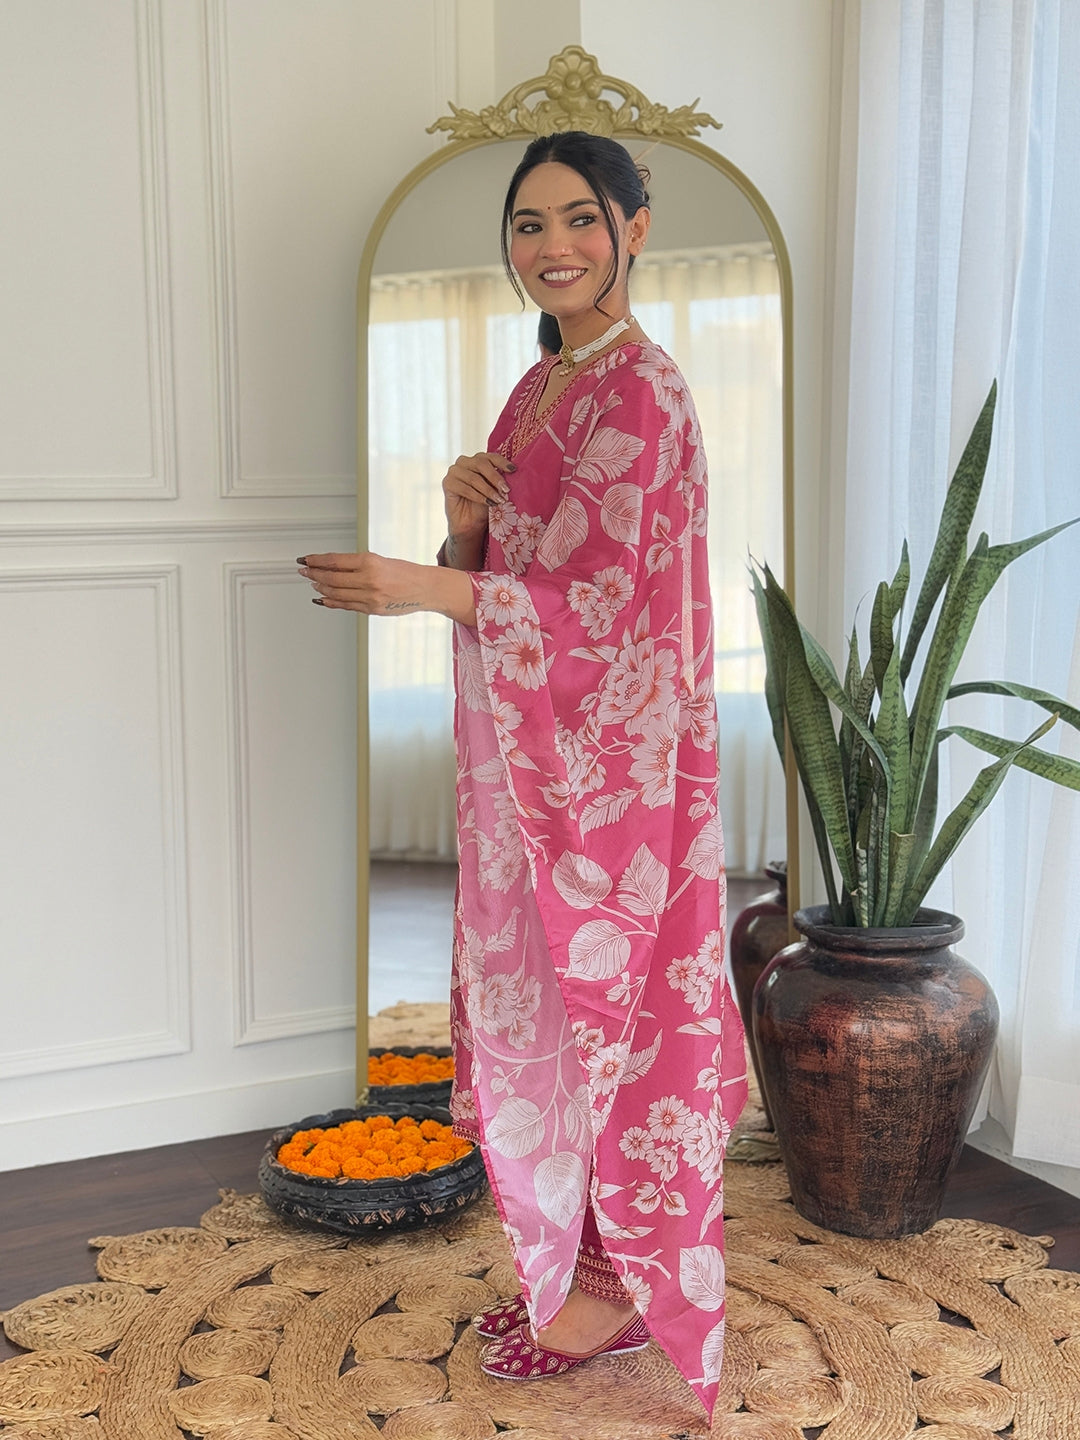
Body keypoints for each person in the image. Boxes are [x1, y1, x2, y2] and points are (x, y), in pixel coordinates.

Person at [298, 131, 747, 1420]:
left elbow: (605, 611)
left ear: (635, 228)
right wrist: (461, 527)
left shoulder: (642, 390)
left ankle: (621, 1283)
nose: (552, 247)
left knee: (621, 1014)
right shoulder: (545, 385)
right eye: (528, 224)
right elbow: (518, 576)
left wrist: (416, 582)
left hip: (622, 774)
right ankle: (590, 1263)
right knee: (559, 1000)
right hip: (551, 769)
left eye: (580, 218)